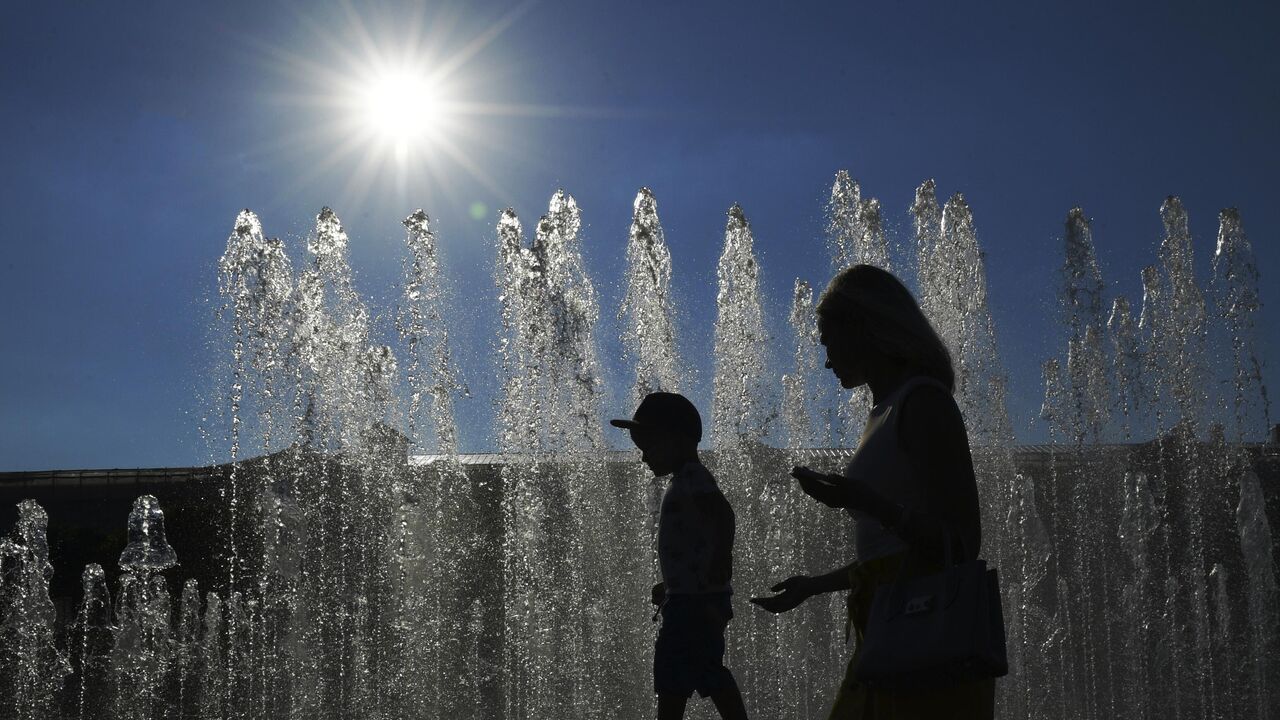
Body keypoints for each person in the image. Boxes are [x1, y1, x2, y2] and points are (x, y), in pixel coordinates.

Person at [750, 264, 995, 719]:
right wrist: (814, 586)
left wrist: (865, 501)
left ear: (864, 327)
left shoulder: (924, 402)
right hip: (887, 627)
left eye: (828, 341)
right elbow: (890, 553)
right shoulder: (882, 411)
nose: (824, 360)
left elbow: (961, 542)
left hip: (925, 639)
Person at [611, 392, 750, 720]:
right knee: (684, 669)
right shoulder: (683, 482)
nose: (644, 458)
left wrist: (721, 562)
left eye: (648, 447)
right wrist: (670, 586)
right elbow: (693, 543)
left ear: (676, 440)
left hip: (699, 602)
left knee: (696, 668)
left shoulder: (694, 478)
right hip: (687, 597)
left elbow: (723, 515)